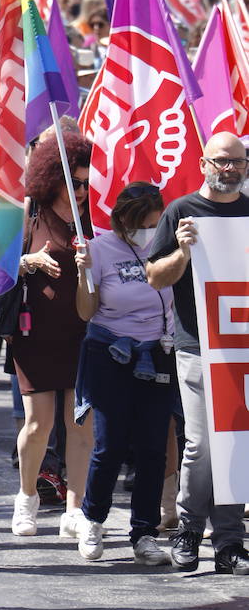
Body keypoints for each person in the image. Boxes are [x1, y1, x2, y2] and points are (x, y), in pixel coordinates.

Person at [147, 130, 249, 575]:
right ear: (204, 163)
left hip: (242, 348)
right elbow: (155, 276)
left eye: (238, 162)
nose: (230, 169)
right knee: (203, 446)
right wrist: (184, 253)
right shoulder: (181, 212)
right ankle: (189, 530)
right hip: (198, 347)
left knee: (237, 446)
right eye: (221, 161)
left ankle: (230, 542)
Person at [72, 182, 175, 565]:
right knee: (110, 445)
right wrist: (83, 275)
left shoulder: (164, 247)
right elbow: (85, 312)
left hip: (157, 355)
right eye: (143, 224)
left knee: (152, 449)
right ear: (122, 220)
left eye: (155, 222)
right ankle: (93, 520)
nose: (149, 230)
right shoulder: (98, 250)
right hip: (110, 355)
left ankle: (144, 533)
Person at [9, 130, 93, 540]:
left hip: (84, 331)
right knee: (38, 423)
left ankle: (74, 508)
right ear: (53, 177)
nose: (80, 191)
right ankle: (27, 498)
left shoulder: (95, 216)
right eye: (73, 182)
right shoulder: (31, 210)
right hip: (35, 330)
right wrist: (29, 260)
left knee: (80, 424)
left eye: (86, 183)